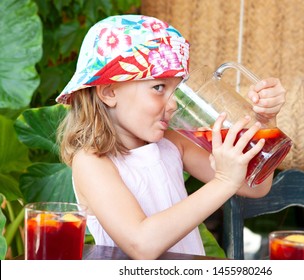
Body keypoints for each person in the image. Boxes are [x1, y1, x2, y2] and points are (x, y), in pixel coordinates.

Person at [56, 14, 286, 260]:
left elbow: (255, 185)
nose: (174, 104)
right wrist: (223, 181)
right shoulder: (92, 162)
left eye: (176, 89)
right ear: (110, 92)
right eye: (158, 87)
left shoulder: (172, 143)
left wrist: (263, 121)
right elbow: (141, 244)